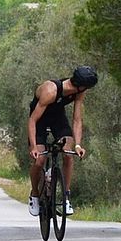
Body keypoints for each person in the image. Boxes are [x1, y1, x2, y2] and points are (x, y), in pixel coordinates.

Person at [27, 66, 95, 217]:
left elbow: (77, 119)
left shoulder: (79, 91)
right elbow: (32, 120)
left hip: (58, 118)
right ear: (81, 85)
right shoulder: (50, 91)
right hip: (40, 120)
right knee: (40, 160)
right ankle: (35, 194)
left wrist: (77, 145)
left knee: (68, 154)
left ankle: (65, 197)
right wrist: (33, 147)